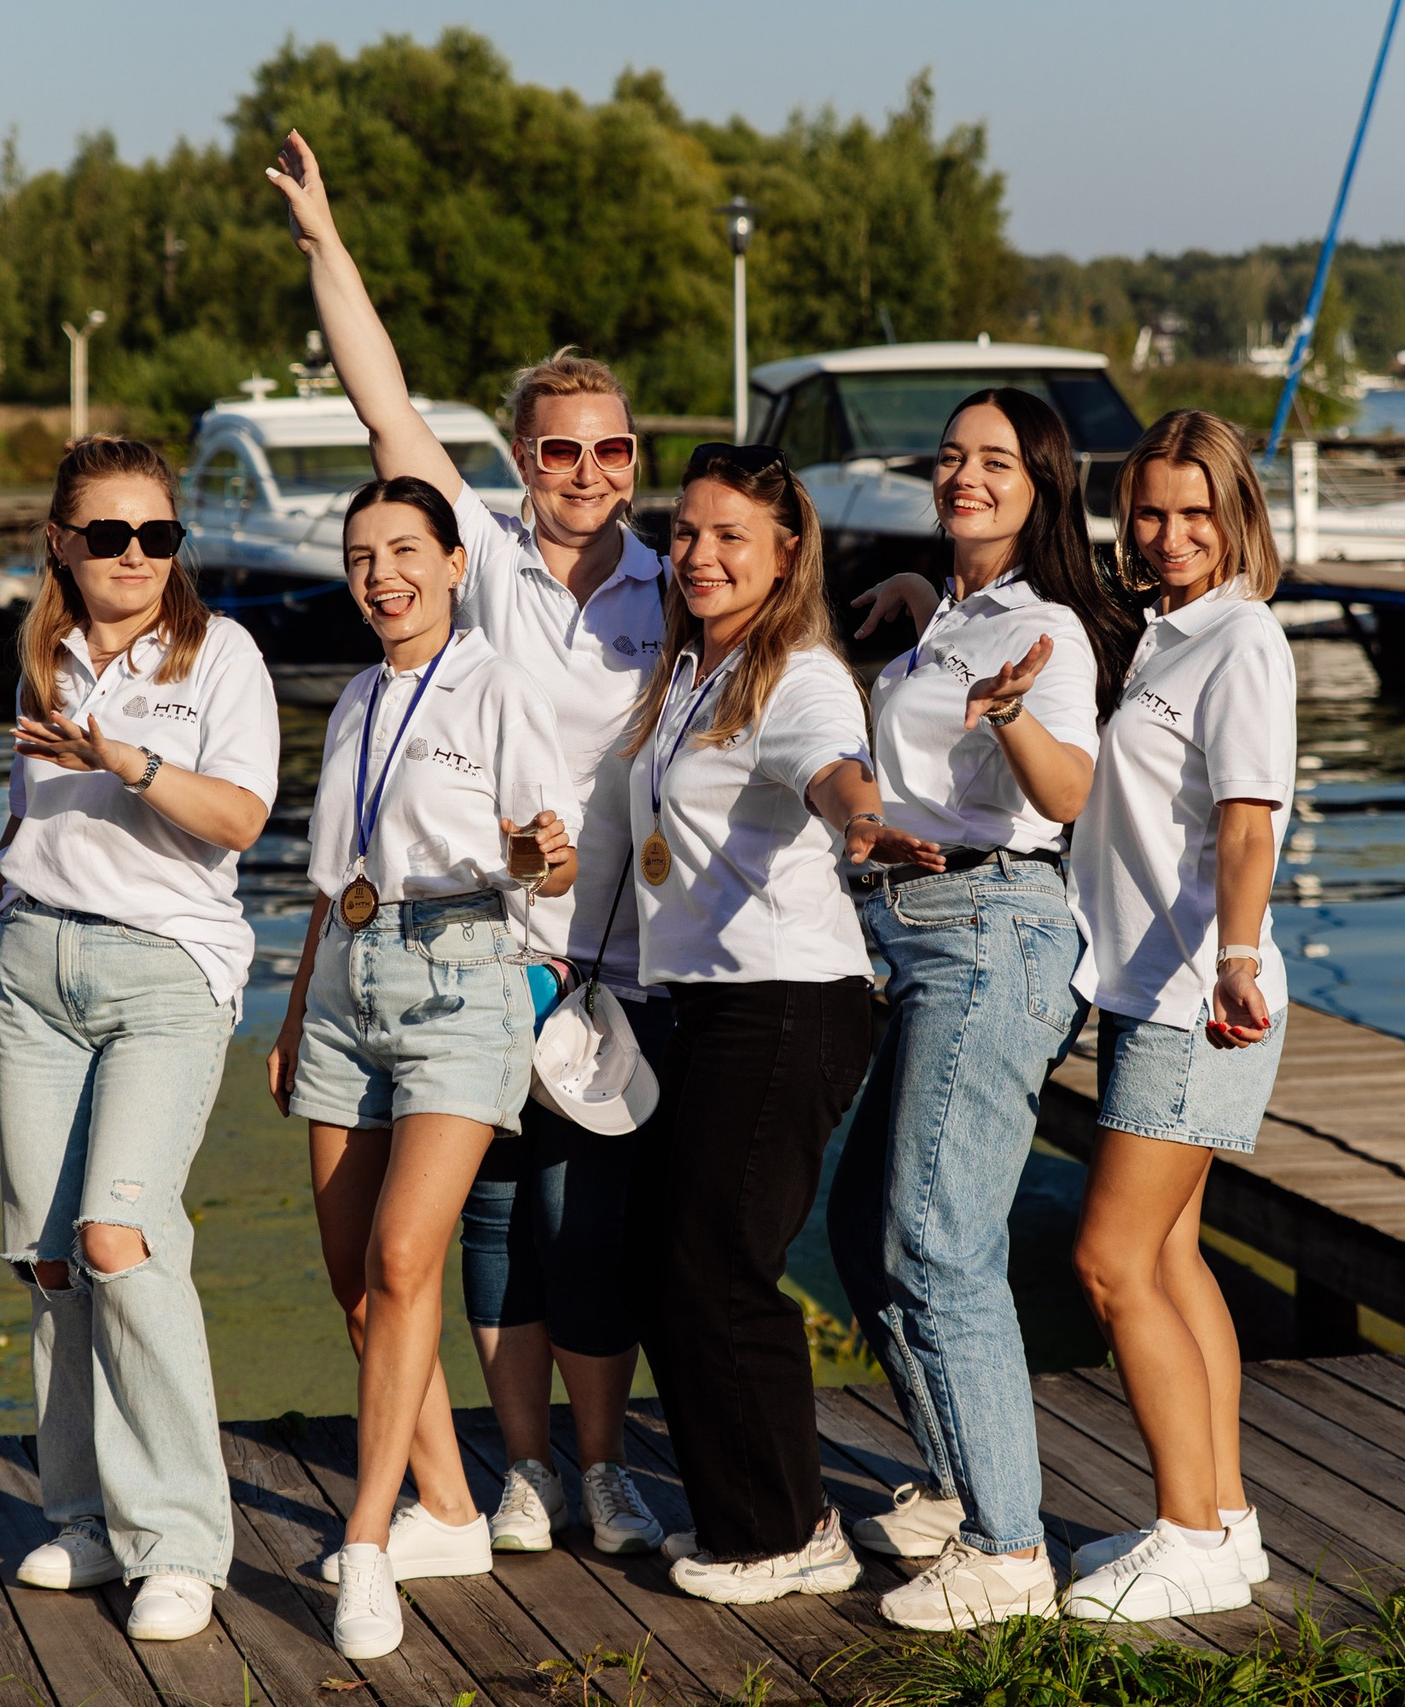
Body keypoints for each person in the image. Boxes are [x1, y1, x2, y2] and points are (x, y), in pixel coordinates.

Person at [267, 128, 670, 1561]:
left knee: (590, 1216)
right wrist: (329, 248)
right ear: (520, 458)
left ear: (634, 459)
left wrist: (874, 619)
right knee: (485, 1218)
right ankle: (514, 1473)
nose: (585, 468)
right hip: (485, 942)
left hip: (608, 949)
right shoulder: (480, 558)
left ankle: (608, 1465)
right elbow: (384, 409)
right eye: (559, 446)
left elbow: (773, 630)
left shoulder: (675, 587)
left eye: (612, 446)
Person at [0, 436, 277, 1642]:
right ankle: (81, 1514)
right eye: (108, 535)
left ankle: (179, 1539)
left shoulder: (218, 654)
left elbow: (238, 816)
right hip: (33, 968)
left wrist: (121, 755)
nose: (134, 556)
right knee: (49, 1257)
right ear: (60, 545)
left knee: (120, 1232)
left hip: (164, 975)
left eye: (157, 534)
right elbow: (19, 838)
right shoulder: (42, 654)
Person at [827, 388, 1141, 1630]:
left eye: (994, 461)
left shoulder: (1046, 627)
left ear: (1043, 483)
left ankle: (1010, 1554)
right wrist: (916, 621)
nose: (965, 474)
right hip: (905, 927)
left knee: (938, 1239)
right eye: (952, 457)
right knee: (863, 1229)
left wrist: (1008, 711)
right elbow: (924, 722)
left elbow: (1066, 794)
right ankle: (959, 1486)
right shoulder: (954, 610)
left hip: (988, 929)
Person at [267, 475, 576, 1661]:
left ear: (456, 562)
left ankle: (362, 1542)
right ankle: (447, 1507)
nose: (379, 573)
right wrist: (297, 1011)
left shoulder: (501, 684)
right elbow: (326, 881)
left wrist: (537, 857)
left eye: (404, 549)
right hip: (345, 978)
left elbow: (546, 859)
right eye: (358, 555)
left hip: (460, 977)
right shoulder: (352, 696)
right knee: (354, 1277)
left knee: (406, 1258)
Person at [621, 443, 928, 1606]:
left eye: (729, 537)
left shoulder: (795, 674)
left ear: (784, 551)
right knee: (673, 1262)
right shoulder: (694, 667)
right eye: (687, 534)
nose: (699, 555)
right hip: (707, 1004)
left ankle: (788, 1529)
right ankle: (743, 1511)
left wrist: (862, 815)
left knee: (722, 1261)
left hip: (788, 1002)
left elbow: (831, 765)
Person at [1057, 409, 1297, 1623]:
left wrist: (1239, 960)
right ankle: (1228, 1518)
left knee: (1107, 1261)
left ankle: (1185, 1531)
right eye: (1149, 513)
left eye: (1194, 514)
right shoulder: (1161, 636)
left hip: (1203, 997)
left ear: (1236, 515)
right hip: (1148, 987)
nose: (1167, 535)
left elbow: (1247, 822)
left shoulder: (1242, 640)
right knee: (1170, 1254)